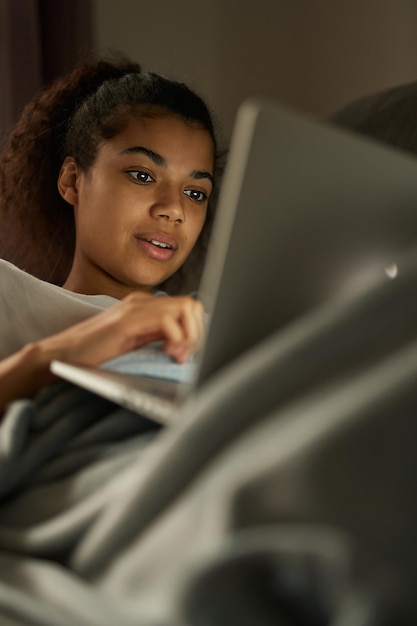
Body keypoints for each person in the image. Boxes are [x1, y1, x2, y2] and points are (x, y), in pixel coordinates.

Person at [0, 56, 220, 414]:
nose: (174, 209)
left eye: (195, 193)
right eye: (143, 175)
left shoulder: (212, 331)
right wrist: (65, 351)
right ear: (73, 180)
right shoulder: (7, 294)